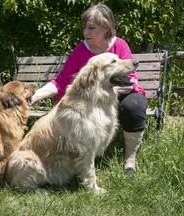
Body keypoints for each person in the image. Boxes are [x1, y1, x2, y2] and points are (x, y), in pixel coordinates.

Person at [30, 3, 148, 173]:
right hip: (93, 102)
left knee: (134, 106)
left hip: (118, 95)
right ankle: (73, 164)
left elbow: (129, 80)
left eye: (92, 28)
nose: (86, 33)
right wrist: (36, 96)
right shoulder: (80, 51)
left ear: (106, 27)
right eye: (84, 28)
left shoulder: (119, 45)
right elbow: (61, 82)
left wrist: (104, 92)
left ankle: (130, 159)